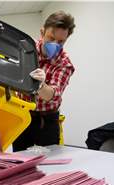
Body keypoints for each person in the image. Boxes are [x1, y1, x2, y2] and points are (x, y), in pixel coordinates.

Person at [13, 11, 76, 151]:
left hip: (47, 120)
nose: (55, 44)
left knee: (50, 163)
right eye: (51, 38)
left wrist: (40, 85)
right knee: (19, 160)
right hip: (23, 115)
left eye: (60, 41)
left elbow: (52, 95)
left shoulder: (64, 63)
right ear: (42, 32)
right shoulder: (26, 50)